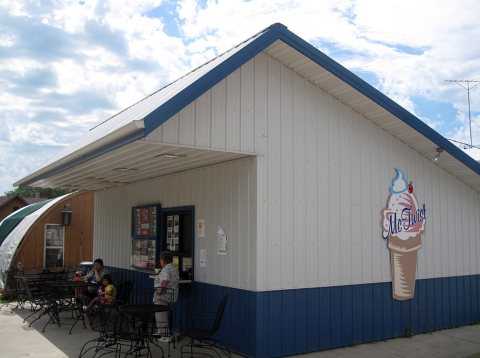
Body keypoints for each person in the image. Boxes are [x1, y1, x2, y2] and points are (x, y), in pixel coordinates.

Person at [153, 251, 179, 343]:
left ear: (163, 260)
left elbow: (165, 280)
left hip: (163, 297)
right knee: (162, 314)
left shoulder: (166, 269)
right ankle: (161, 331)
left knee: (161, 315)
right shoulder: (174, 268)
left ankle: (165, 336)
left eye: (160, 259)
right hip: (171, 296)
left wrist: (159, 290)